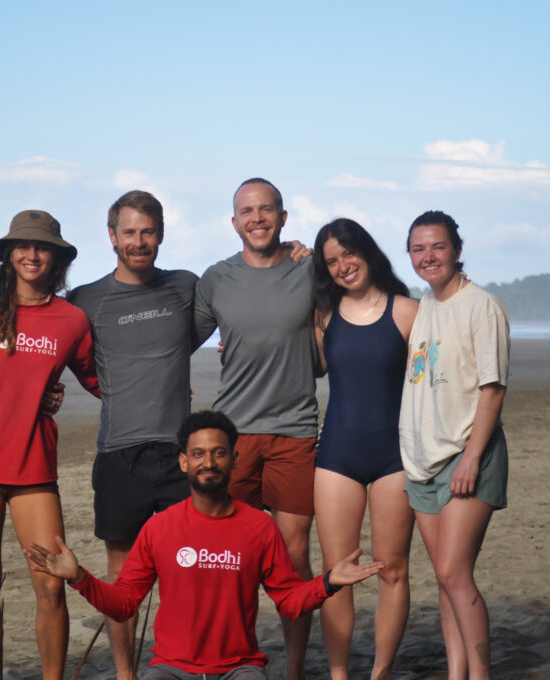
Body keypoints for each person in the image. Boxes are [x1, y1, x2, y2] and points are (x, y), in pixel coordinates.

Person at [23, 410, 385, 679]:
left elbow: (289, 602)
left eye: (218, 453)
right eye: (198, 454)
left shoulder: (260, 527)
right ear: (184, 462)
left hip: (240, 669)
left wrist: (328, 582)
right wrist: (79, 578)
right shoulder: (159, 527)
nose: (208, 462)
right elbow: (124, 604)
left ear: (234, 460)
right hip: (170, 669)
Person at [0, 210, 99, 680]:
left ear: (56, 258)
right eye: (23, 246)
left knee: (52, 584)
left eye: (42, 247)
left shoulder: (72, 320)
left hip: (33, 469)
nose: (32, 254)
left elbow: (100, 380)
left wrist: (166, 385)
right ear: (9, 254)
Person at [66, 190, 199, 680]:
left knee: (189, 569)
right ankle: (126, 674)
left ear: (160, 235)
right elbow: (58, 349)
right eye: (129, 232)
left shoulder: (186, 286)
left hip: (180, 456)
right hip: (119, 456)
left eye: (147, 232)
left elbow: (239, 306)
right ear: (112, 236)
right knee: (123, 576)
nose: (138, 241)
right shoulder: (86, 300)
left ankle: (184, 666)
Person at [193, 177, 319, 680]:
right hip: (235, 436)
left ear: (283, 218)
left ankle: (293, 670)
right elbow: (172, 343)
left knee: (292, 557)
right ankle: (233, 662)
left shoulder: (309, 268)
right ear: (234, 222)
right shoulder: (216, 279)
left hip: (295, 431)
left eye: (267, 209)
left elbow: (352, 309)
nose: (257, 218)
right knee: (231, 558)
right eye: (247, 211)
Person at [400, 210, 510, 680]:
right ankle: (456, 673)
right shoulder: (423, 305)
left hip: (467, 457)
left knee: (453, 573)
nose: (428, 256)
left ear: (457, 251)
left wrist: (471, 458)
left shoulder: (481, 305)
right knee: (445, 581)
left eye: (438, 246)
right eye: (418, 249)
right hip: (421, 462)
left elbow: (493, 389)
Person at [311, 218, 417, 680]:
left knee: (393, 570)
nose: (343, 266)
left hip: (396, 458)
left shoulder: (408, 312)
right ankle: (339, 675)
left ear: (367, 251)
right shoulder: (324, 316)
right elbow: (303, 365)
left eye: (349, 253)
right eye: (332, 261)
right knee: (337, 573)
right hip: (337, 456)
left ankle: (380, 673)